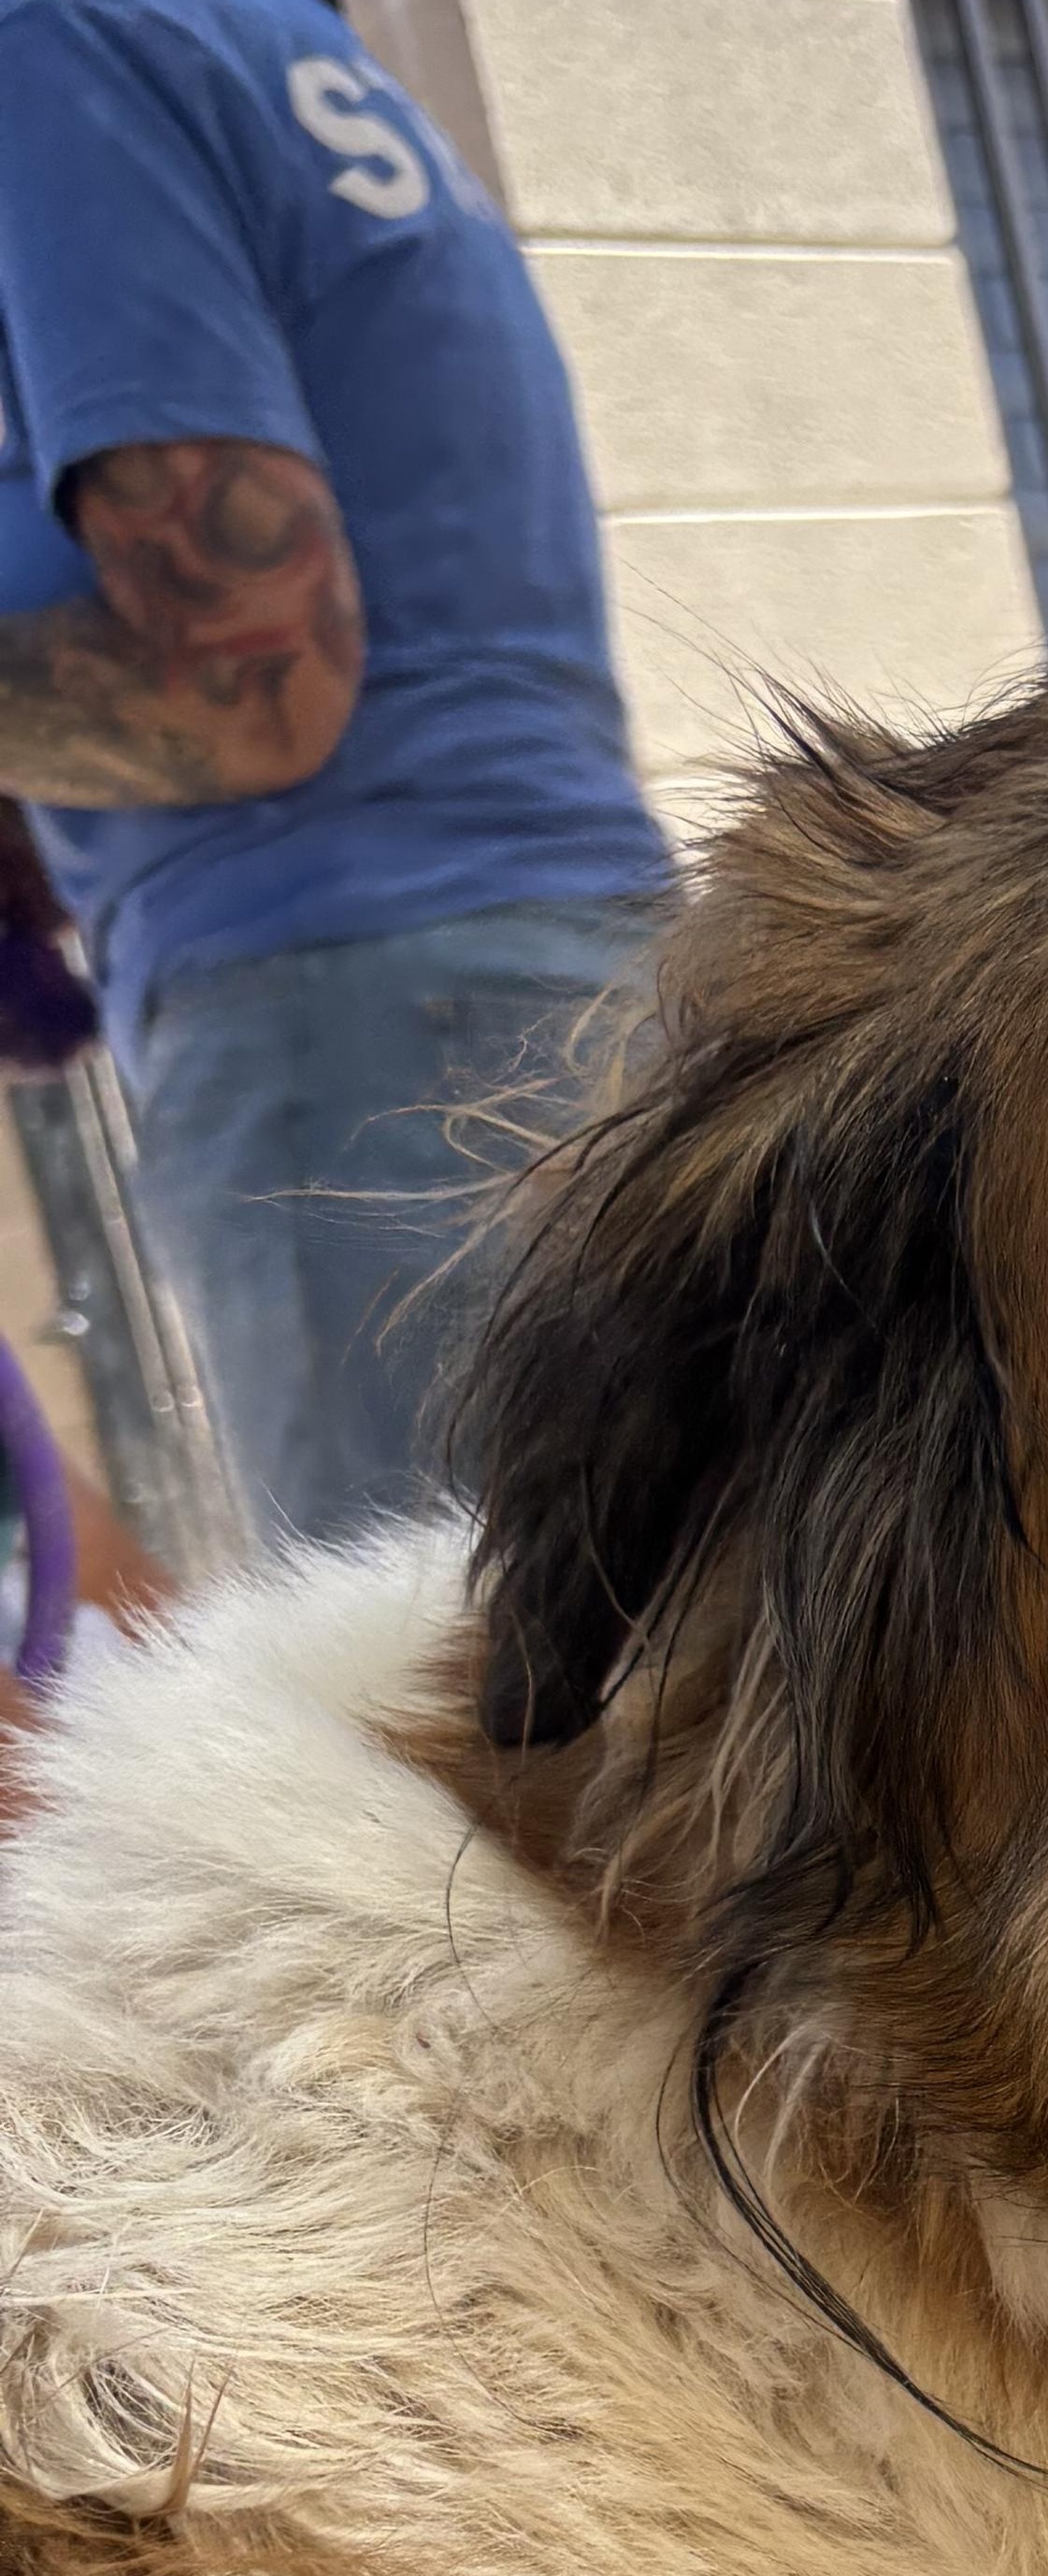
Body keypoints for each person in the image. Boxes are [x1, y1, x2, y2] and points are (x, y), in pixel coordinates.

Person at [0, 0, 671, 1542]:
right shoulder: (267, 50)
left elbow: (248, 687)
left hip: (358, 1055)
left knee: (431, 1753)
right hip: (570, 986)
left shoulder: (56, 46)